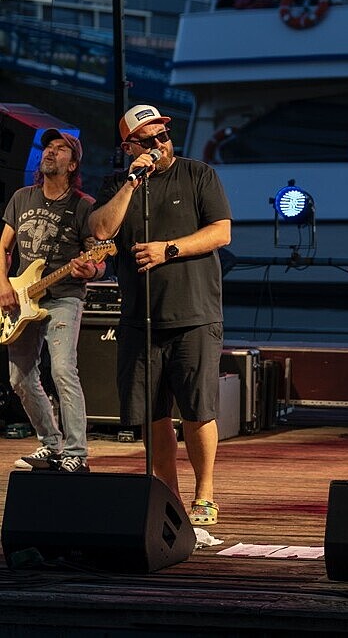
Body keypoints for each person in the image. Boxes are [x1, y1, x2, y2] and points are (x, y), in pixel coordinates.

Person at [89, 105, 232, 526]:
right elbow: (100, 230)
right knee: (152, 414)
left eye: (163, 138)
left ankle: (204, 494)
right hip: (141, 316)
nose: (160, 146)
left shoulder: (198, 174)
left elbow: (221, 232)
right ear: (129, 145)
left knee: (198, 410)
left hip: (194, 313)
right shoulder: (119, 183)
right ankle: (166, 493)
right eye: (149, 141)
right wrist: (133, 182)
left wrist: (168, 249)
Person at [0, 130, 106, 473]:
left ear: (72, 163)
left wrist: (91, 267)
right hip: (20, 299)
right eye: (49, 146)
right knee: (19, 379)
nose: (51, 152)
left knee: (62, 370)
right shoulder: (21, 198)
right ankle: (50, 443)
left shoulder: (83, 206)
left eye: (61, 149)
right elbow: (2, 247)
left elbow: (99, 259)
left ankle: (77, 452)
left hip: (64, 298)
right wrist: (3, 284)